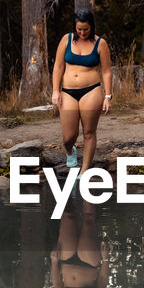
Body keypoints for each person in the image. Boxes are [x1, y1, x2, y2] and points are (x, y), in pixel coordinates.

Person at [50, 9, 113, 171]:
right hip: (68, 92)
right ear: (75, 27)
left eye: (86, 29)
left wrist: (107, 96)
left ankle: (84, 171)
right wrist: (55, 91)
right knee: (68, 136)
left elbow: (106, 71)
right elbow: (58, 66)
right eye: (79, 29)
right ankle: (70, 150)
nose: (83, 32)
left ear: (91, 26)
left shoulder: (101, 43)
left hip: (91, 91)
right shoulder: (67, 39)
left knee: (89, 132)